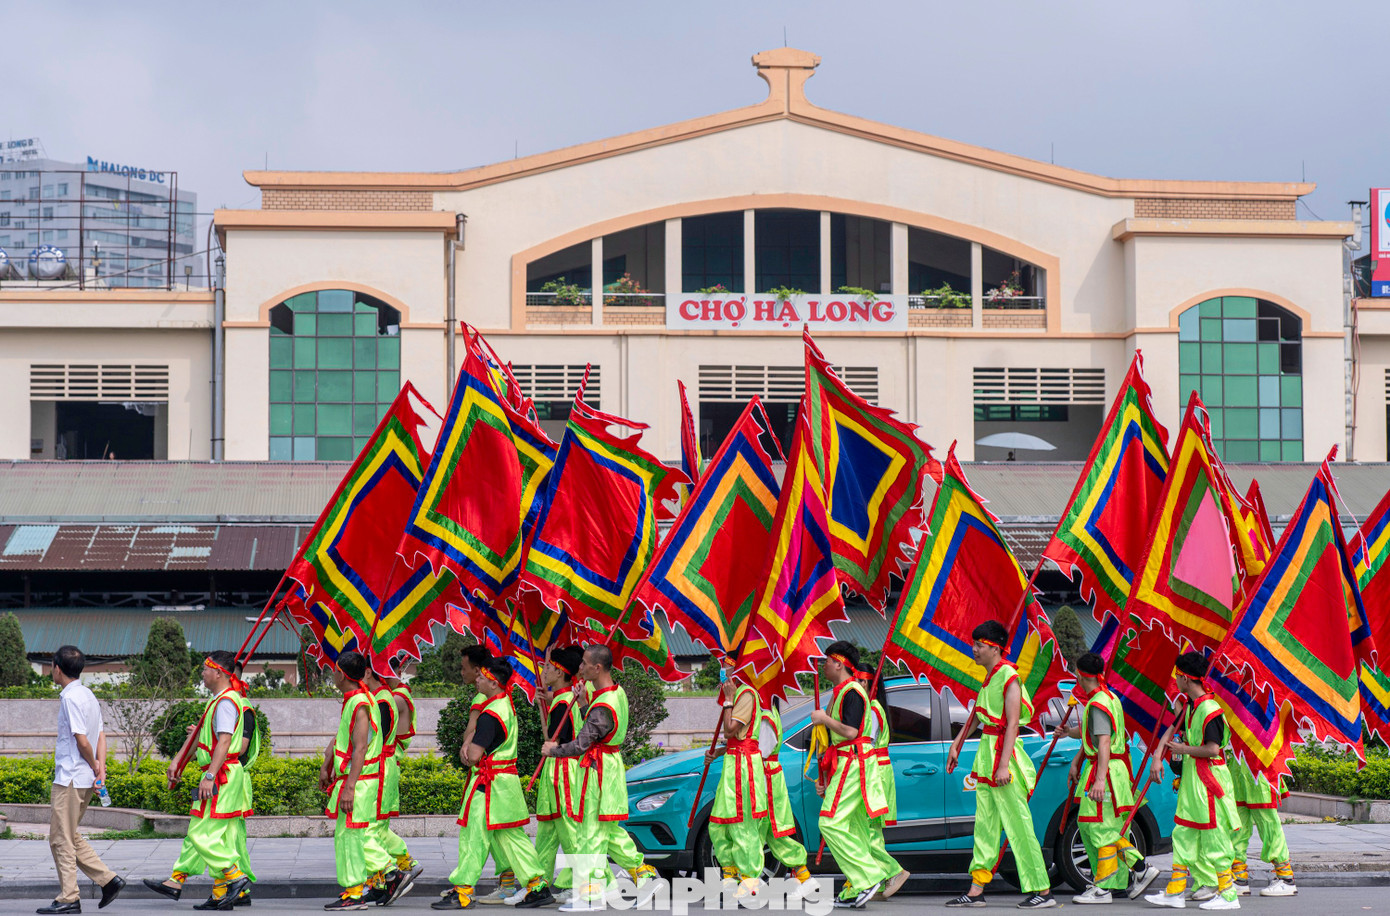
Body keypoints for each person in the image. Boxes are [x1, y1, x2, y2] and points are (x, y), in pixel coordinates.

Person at [542, 644, 663, 912]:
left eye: (584, 664)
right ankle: (643, 874)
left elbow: (581, 743)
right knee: (607, 833)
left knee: (591, 837)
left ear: (597, 668)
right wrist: (585, 704)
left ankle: (591, 895)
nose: (580, 668)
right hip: (604, 768)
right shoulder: (612, 693)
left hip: (598, 772)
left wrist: (554, 750)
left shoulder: (604, 703)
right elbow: (598, 731)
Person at [944, 621, 1054, 909]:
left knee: (1018, 827)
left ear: (995, 647)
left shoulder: (1009, 677)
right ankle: (977, 889)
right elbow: (977, 717)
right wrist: (956, 744)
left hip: (1003, 760)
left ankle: (1042, 890)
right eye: (975, 644)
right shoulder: (990, 677)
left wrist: (1003, 765)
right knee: (985, 827)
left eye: (979, 645)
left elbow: (1012, 724)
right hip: (986, 757)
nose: (974, 649)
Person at [434, 658, 553, 910]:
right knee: (512, 837)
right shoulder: (505, 705)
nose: (476, 679)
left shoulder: (490, 714)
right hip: (504, 784)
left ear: (493, 682)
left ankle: (463, 890)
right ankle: (537, 886)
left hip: (488, 787)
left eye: (481, 677)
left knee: (473, 836)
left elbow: (474, 757)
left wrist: (466, 749)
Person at [144, 651, 254, 911]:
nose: (202, 673)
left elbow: (225, 741)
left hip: (222, 775)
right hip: (221, 773)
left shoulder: (226, 702)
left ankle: (234, 876)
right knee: (216, 834)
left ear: (218, 673)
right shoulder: (219, 701)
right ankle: (216, 892)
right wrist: (179, 761)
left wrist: (209, 775)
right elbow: (210, 740)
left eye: (205, 669)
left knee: (201, 832)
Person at [1056, 652, 1159, 905]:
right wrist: (1070, 735)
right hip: (1109, 769)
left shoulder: (1099, 702)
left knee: (1097, 827)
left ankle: (1122, 877)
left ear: (1080, 675)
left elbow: (1103, 742)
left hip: (1106, 772)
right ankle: (1116, 881)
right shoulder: (1107, 697)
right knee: (1097, 825)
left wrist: (1100, 780)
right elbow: (1094, 733)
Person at [1144, 652, 1240, 911]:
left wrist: (1183, 749)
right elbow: (1172, 729)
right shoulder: (1190, 706)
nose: (1176, 680)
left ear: (1186, 678)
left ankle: (1228, 894)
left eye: (1177, 676)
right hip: (1193, 780)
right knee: (1183, 833)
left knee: (1214, 838)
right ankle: (1175, 891)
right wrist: (1157, 756)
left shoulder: (1210, 710)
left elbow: (1212, 750)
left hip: (1208, 781)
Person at [40, 645, 125, 915]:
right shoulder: (88, 694)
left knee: (60, 839)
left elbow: (82, 739)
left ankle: (69, 898)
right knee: (69, 835)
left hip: (70, 777)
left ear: (57, 668)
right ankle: (109, 880)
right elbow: (100, 735)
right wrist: (100, 768)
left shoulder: (70, 698)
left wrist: (93, 764)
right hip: (85, 778)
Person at [809, 642, 893, 909]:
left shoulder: (852, 691)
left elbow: (851, 732)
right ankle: (855, 887)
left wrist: (823, 718)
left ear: (838, 663)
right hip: (850, 762)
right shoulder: (845, 691)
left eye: (826, 661)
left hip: (853, 762)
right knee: (854, 829)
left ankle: (867, 877)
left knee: (830, 823)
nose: (823, 666)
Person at [319, 650, 391, 911]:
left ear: (341, 674)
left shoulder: (359, 702)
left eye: (334, 669)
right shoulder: (355, 699)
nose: (332, 674)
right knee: (349, 836)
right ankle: (358, 889)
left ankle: (382, 876)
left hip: (359, 782)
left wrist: (349, 787)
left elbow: (360, 748)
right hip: (357, 779)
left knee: (352, 836)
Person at [706, 656, 768, 898]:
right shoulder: (739, 694)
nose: (722, 670)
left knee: (743, 825)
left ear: (738, 667)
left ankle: (750, 880)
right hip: (733, 763)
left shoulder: (746, 694)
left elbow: (730, 729)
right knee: (718, 825)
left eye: (725, 665)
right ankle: (731, 873)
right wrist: (718, 752)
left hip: (744, 768)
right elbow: (734, 738)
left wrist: (728, 700)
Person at [362, 663, 419, 905]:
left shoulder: (389, 699)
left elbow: (368, 739)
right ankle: (389, 874)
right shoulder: (387, 696)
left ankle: (391, 873)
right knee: (379, 829)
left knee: (365, 830)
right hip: (385, 764)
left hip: (381, 765)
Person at [535, 647, 586, 906]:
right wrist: (545, 702)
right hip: (555, 772)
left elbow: (557, 743)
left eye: (546, 667)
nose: (542, 672)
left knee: (571, 833)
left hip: (563, 773)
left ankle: (591, 884)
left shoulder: (565, 703)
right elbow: (552, 739)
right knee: (547, 831)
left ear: (559, 671)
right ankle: (537, 885)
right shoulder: (562, 700)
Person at [756, 696, 816, 896]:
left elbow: (760, 753)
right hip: (765, 778)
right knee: (770, 833)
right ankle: (803, 877)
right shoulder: (768, 714)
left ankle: (748, 882)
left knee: (766, 832)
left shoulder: (765, 717)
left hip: (763, 779)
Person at [384, 658, 427, 897]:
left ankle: (402, 864)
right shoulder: (395, 695)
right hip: (389, 763)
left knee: (371, 826)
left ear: (399, 670)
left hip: (386, 763)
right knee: (375, 825)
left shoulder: (395, 698)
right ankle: (396, 867)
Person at [864, 676, 910, 899]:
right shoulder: (875, 706)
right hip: (878, 769)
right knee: (873, 830)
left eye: (863, 681)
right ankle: (881, 879)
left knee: (866, 829)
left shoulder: (871, 708)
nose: (858, 685)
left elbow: (865, 741)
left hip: (873, 771)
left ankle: (894, 871)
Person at [1229, 759, 1295, 897]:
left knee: (1269, 826)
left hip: (1261, 769)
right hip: (1239, 770)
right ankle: (1239, 878)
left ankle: (1285, 878)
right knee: (1236, 826)